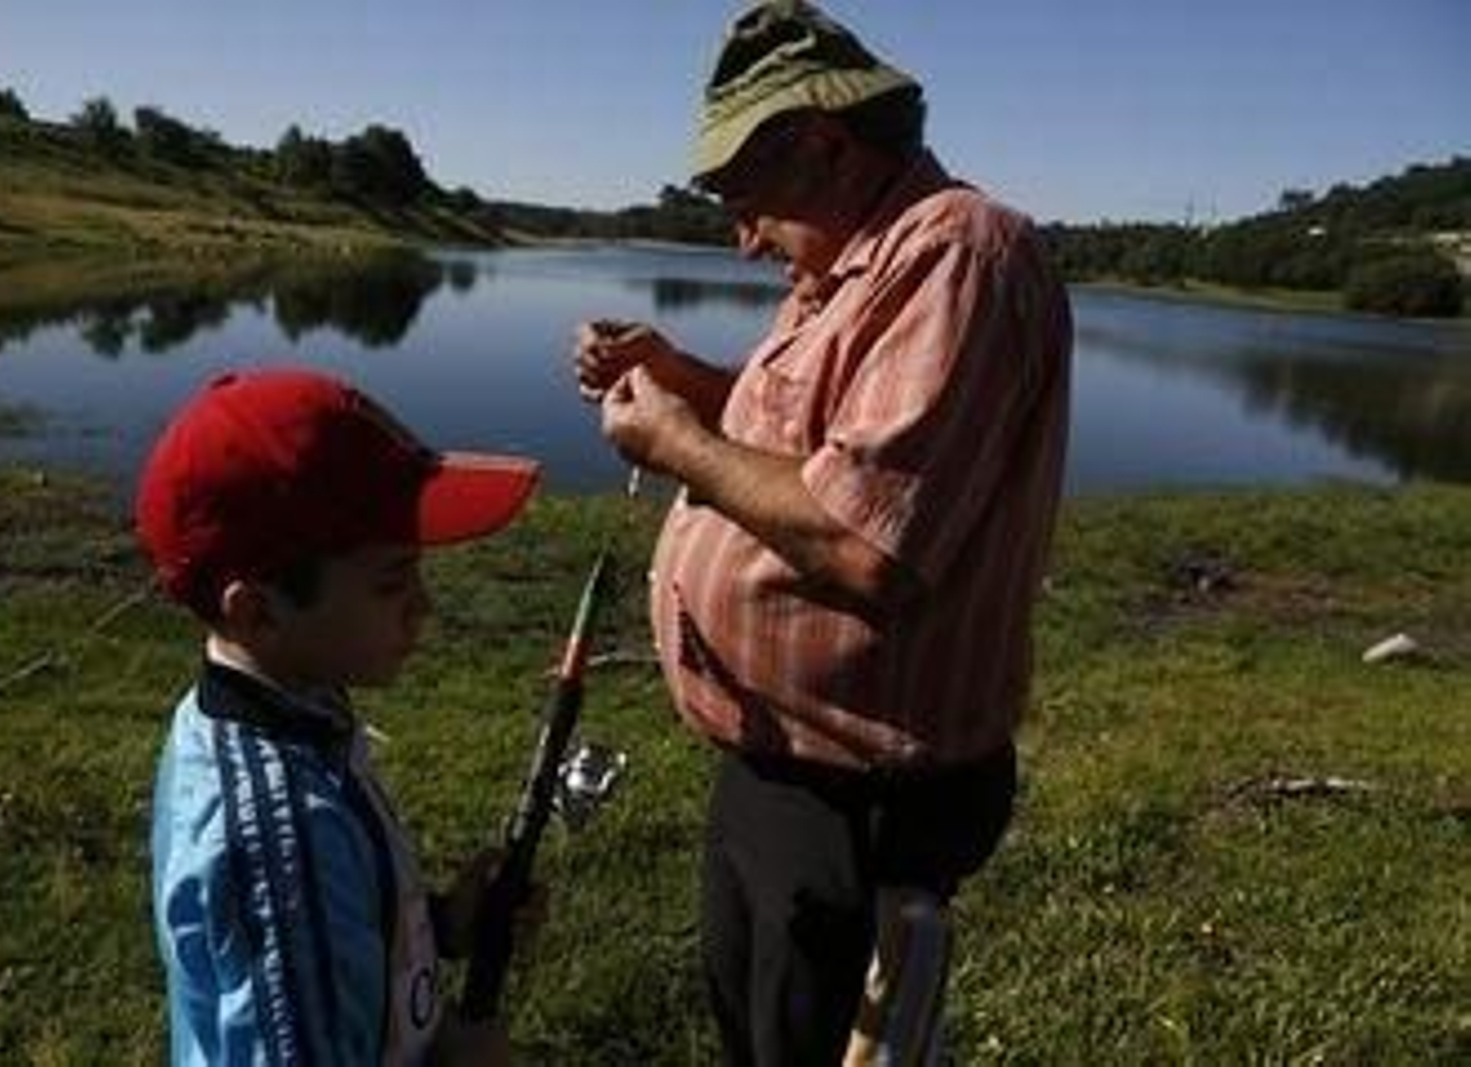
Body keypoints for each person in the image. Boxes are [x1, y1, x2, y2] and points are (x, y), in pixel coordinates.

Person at [573, 3, 1072, 1064]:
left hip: (864, 798)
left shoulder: (959, 256)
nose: (741, 235)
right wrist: (686, 382)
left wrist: (673, 445)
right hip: (774, 766)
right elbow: (810, 450)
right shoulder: (838, 269)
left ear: (821, 145)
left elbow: (866, 543)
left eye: (740, 198)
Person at [136, 367, 542, 1066]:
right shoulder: (278, 841)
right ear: (258, 610)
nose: (424, 606)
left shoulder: (297, 703)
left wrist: (438, 925)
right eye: (391, 582)